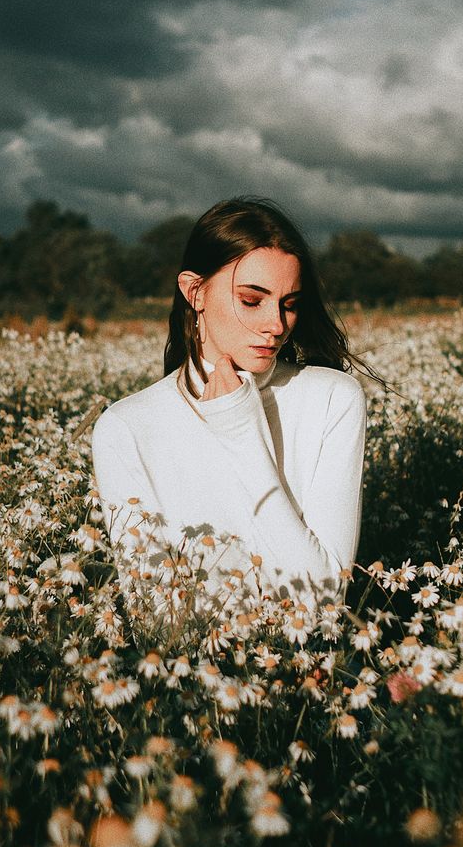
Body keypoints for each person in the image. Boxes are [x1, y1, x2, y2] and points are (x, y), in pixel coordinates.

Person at [91, 196, 368, 609]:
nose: (276, 325)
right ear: (195, 291)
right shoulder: (125, 427)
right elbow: (157, 621)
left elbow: (321, 603)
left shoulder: (333, 399)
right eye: (251, 300)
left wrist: (241, 432)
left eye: (289, 304)